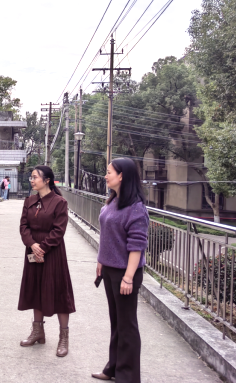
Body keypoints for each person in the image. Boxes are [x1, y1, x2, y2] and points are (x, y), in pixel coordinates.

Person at [92, 158, 149, 383]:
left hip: (125, 273)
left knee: (127, 326)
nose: (106, 176)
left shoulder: (136, 208)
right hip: (109, 270)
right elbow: (107, 236)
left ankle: (128, 377)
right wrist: (101, 261)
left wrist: (128, 277)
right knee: (116, 322)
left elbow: (137, 245)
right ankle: (113, 368)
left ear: (122, 176)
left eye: (109, 172)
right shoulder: (113, 201)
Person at [18, 165, 76, 358]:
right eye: (31, 177)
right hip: (33, 251)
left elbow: (59, 230)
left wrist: (42, 247)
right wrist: (32, 245)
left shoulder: (60, 202)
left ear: (47, 180)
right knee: (35, 289)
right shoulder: (29, 201)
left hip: (53, 253)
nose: (32, 180)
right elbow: (23, 226)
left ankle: (64, 337)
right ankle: (38, 332)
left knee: (59, 292)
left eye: (35, 177)